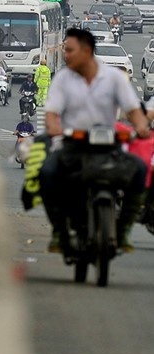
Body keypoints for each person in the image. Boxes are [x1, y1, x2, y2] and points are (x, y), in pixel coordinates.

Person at [39, 27, 149, 253]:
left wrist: (140, 126)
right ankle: (59, 231)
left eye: (70, 50)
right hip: (72, 145)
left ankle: (123, 230)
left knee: (139, 169)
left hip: (109, 146)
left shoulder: (114, 78)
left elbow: (133, 110)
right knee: (47, 172)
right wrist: (54, 129)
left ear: (86, 51)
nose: (65, 54)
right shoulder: (62, 79)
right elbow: (51, 114)